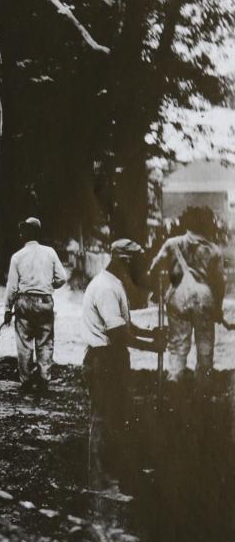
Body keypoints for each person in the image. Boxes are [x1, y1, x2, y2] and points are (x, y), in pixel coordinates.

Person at [82, 239, 164, 488]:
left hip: (112, 358)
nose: (143, 266)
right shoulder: (106, 288)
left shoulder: (114, 283)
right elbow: (118, 335)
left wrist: (152, 333)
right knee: (104, 417)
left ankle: (110, 470)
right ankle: (97, 474)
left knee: (116, 416)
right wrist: (152, 347)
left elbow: (123, 324)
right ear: (125, 260)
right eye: (139, 260)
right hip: (104, 359)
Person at [149, 205, 226, 380]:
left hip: (178, 295)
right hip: (204, 296)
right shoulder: (214, 250)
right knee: (205, 346)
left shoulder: (172, 244)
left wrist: (156, 290)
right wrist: (218, 308)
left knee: (177, 346)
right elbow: (220, 283)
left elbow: (154, 268)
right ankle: (203, 391)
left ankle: (174, 383)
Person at [4, 218, 68, 393]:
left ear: (24, 234)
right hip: (44, 301)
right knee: (45, 341)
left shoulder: (17, 256)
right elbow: (62, 278)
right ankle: (43, 380)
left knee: (24, 343)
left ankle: (25, 381)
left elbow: (12, 287)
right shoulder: (50, 252)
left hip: (23, 302)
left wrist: (7, 309)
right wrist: (48, 286)